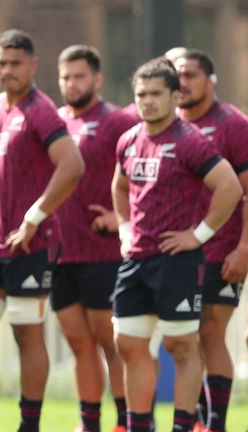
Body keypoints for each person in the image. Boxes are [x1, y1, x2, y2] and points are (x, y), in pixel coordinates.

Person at [111, 57, 242, 432]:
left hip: (178, 262)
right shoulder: (128, 140)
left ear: (172, 96)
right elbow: (119, 187)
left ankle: (183, 426)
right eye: (141, 94)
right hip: (135, 261)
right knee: (128, 344)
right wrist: (123, 229)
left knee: (181, 347)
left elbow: (230, 187)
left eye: (156, 94)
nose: (148, 101)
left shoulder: (190, 141)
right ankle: (139, 426)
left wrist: (198, 235)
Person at [0, 29, 84, 432]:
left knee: (26, 335)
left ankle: (29, 425)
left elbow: (72, 165)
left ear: (33, 66)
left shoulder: (42, 110)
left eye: (16, 63)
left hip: (29, 245)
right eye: (2, 62)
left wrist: (35, 217)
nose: (8, 70)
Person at [53, 45, 138, 432]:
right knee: (78, 343)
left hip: (103, 252)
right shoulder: (53, 122)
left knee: (111, 340)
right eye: (66, 77)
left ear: (97, 79)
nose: (72, 83)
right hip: (60, 251)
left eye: (80, 76)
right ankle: (89, 423)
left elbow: (147, 179)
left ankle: (125, 421)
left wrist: (123, 216)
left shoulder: (118, 121)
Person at [174, 49, 248, 432]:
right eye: (175, 74)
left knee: (209, 333)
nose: (181, 82)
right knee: (184, 339)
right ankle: (197, 420)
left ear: (210, 80)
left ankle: (214, 424)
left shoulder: (233, 124)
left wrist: (244, 248)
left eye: (189, 74)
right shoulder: (165, 125)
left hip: (222, 251)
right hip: (175, 253)